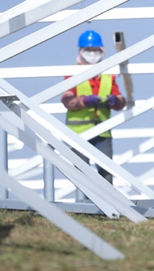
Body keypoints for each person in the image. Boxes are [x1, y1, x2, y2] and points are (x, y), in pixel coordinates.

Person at [61, 30, 126, 188]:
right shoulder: (72, 73)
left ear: (101, 51)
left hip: (102, 132)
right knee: (82, 176)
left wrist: (114, 101)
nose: (92, 54)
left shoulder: (107, 74)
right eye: (88, 51)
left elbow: (120, 100)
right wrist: (83, 101)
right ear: (81, 52)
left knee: (106, 173)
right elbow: (67, 99)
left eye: (95, 50)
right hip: (78, 134)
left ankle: (108, 208)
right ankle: (85, 208)